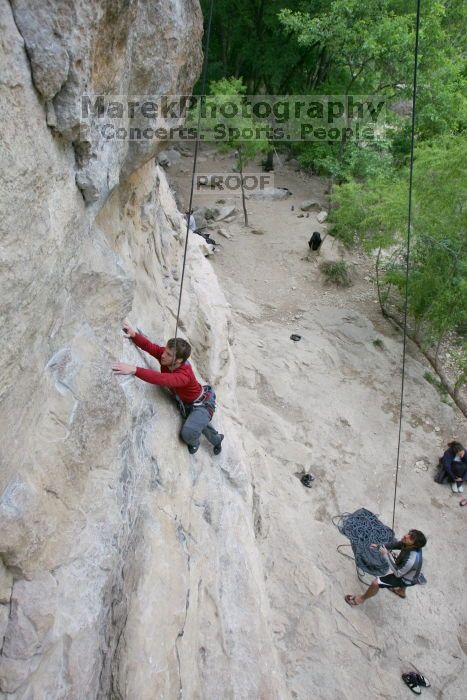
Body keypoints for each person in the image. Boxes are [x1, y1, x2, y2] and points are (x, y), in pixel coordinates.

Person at [112, 319, 224, 456]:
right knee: (198, 424)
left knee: (188, 432)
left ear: (178, 361)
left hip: (202, 405)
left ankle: (205, 441)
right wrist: (134, 334)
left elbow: (161, 379)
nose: (163, 355)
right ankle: (208, 431)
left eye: (169, 354)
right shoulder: (167, 357)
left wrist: (134, 369)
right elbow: (150, 347)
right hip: (187, 402)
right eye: (165, 350)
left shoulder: (183, 376)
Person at [345, 529, 427, 606]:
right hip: (411, 573)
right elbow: (395, 545)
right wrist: (379, 546)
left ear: (414, 545)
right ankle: (401, 591)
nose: (406, 536)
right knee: (406, 571)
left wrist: (386, 555)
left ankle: (361, 599)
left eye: (411, 538)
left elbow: (398, 573)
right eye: (409, 534)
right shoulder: (409, 544)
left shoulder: (411, 560)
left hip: (404, 578)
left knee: (376, 583)